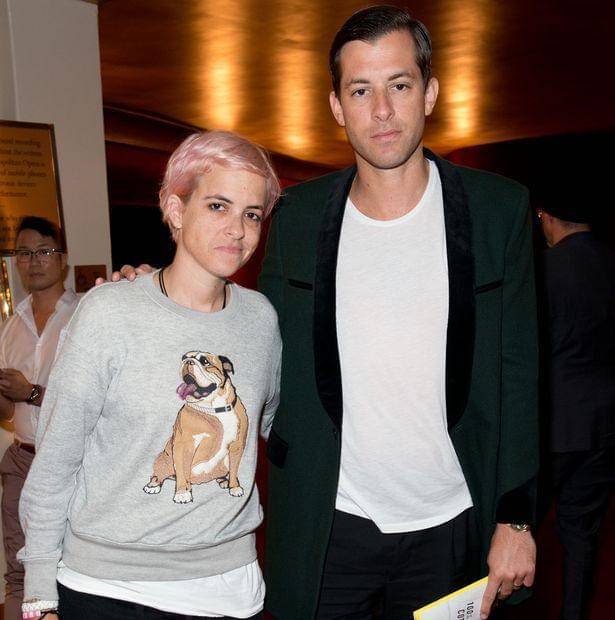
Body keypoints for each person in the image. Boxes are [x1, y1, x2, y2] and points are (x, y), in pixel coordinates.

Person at [259, 6, 538, 620]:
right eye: (361, 90)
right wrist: (161, 294)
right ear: (337, 106)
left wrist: (516, 518)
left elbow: (520, 376)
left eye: (400, 85)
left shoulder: (498, 212)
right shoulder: (297, 219)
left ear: (430, 92)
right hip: (330, 523)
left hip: (452, 522)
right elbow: (251, 333)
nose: (382, 110)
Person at [18, 131, 282, 620]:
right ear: (176, 211)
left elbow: (276, 428)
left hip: (229, 587)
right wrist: (38, 596)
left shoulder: (261, 319)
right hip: (109, 589)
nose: (238, 230)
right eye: (218, 206)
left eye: (251, 214)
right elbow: (56, 462)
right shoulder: (109, 312)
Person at [536, 199, 615, 620]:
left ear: (548, 218)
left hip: (552, 425)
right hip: (605, 426)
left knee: (516, 530)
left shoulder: (544, 270)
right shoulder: (610, 262)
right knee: (581, 532)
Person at [0, 216, 78, 620]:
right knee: (18, 571)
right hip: (21, 459)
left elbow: (92, 404)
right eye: (24, 253)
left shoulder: (85, 316)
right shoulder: (11, 327)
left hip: (69, 464)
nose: (34, 261)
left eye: (44, 251)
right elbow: (8, 413)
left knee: (69, 571)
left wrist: (30, 392)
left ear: (62, 259)